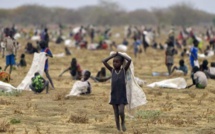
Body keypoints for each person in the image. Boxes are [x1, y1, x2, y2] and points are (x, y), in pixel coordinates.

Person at [102, 51, 131, 132]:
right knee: (116, 113)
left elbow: (129, 60)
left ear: (121, 63)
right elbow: (104, 61)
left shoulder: (123, 71)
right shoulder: (112, 70)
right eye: (114, 62)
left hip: (122, 95)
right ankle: (118, 128)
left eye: (117, 62)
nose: (115, 63)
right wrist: (112, 56)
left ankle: (123, 122)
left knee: (121, 111)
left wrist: (120, 54)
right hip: (114, 95)